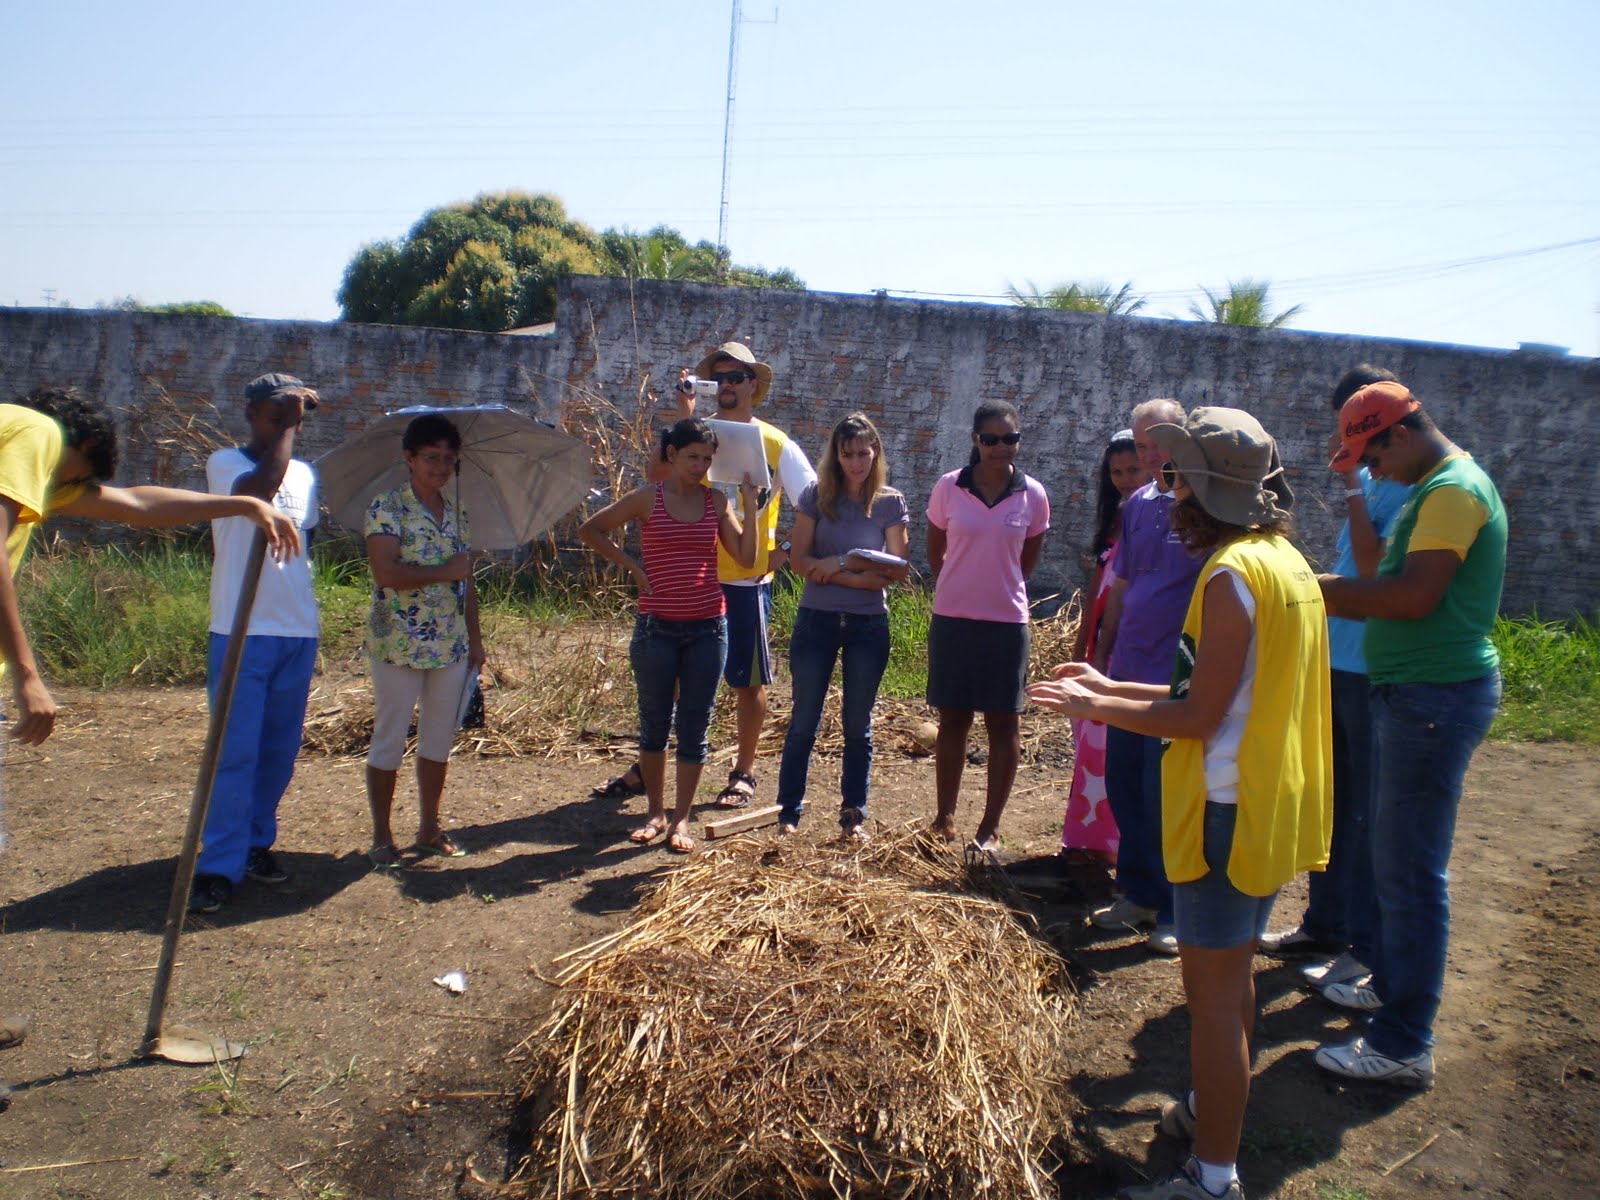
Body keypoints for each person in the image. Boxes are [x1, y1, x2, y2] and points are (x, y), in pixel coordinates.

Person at [1029, 407, 1332, 1200]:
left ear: (1206, 491)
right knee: (1233, 985)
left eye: (1179, 479)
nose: (1169, 495)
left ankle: (1213, 1178)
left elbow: (1197, 718)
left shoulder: (1229, 579)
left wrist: (1095, 706)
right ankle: (1209, 1110)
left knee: (1214, 1002)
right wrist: (1107, 685)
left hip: (1226, 807)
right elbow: (1215, 695)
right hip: (1268, 800)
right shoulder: (1283, 564)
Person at [0, 383, 300, 1110]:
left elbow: (136, 502)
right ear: (77, 445)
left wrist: (242, 506)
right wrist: (28, 674)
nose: (75, 486)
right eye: (81, 473)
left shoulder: (35, 455)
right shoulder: (34, 433)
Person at [1312, 381, 1506, 1090]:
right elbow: (1389, 580)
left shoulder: (1451, 491)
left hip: (1433, 699)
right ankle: (1391, 986)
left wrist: (1310, 589)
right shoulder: (1434, 488)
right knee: (1395, 862)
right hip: (1417, 694)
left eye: (1372, 457)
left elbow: (1411, 596)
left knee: (1411, 873)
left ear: (1397, 432)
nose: (1374, 473)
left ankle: (1403, 1042)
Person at [590, 342, 814, 810]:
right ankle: (648, 766)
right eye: (720, 377)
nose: (727, 384)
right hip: (689, 582)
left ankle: (744, 772)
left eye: (736, 377)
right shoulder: (697, 435)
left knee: (748, 682)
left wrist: (782, 554)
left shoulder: (777, 443)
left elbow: (815, 503)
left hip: (746, 583)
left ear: (753, 384)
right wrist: (683, 413)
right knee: (669, 681)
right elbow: (655, 476)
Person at [1258, 367, 1412, 997]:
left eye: (1358, 427)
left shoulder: (1410, 487)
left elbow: (1372, 569)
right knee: (1332, 803)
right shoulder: (1375, 480)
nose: (1348, 438)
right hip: (1337, 658)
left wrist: (1350, 483)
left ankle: (1363, 948)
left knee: (1372, 813)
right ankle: (1324, 926)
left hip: (1375, 665)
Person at [578, 419, 758, 853]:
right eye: (692, 456)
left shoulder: (716, 502)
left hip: (708, 628)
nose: (700, 465)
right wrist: (633, 567)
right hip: (656, 627)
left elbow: (746, 556)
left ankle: (681, 820)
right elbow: (590, 529)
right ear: (672, 455)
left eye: (707, 459)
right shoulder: (647, 497)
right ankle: (655, 812)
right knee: (654, 724)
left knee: (695, 727)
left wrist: (751, 508)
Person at [189, 373, 322, 915]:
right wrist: (288, 425)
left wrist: (287, 426)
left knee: (278, 751)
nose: (285, 428)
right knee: (234, 751)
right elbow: (259, 490)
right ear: (250, 415)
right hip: (240, 628)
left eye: (292, 420)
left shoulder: (307, 474)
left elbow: (302, 541)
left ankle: (255, 842)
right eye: (275, 417)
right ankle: (218, 865)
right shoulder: (225, 463)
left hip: (296, 628)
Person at [1091, 399, 1203, 955]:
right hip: (1129, 668)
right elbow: (1123, 585)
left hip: (1176, 677)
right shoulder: (1137, 505)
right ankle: (1136, 892)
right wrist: (1103, 654)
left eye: (1160, 442)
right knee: (1126, 786)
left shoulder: (1203, 506)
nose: (1151, 454)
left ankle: (1177, 907)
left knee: (1170, 797)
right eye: (1142, 445)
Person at [777, 413, 910, 839]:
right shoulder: (817, 496)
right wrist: (853, 569)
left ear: (876, 454)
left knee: (857, 724)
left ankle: (853, 815)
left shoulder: (890, 502)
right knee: (803, 721)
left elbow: (896, 570)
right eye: (848, 454)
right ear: (836, 455)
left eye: (863, 454)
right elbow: (799, 562)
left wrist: (835, 567)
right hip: (816, 619)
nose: (856, 463)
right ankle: (788, 813)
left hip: (867, 624)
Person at [926, 399, 1050, 855]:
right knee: (953, 720)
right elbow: (936, 549)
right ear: (975, 440)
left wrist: (999, 587)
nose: (1001, 447)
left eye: (1009, 438)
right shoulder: (949, 487)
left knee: (1003, 724)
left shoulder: (1032, 494)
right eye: (991, 439)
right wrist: (960, 585)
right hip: (953, 621)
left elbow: (1027, 560)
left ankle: (990, 827)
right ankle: (945, 816)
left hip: (1006, 625)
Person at [362, 414, 485, 868]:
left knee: (438, 738)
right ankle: (382, 836)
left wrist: (475, 639)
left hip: (449, 643)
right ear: (409, 458)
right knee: (390, 735)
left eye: (449, 459)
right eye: (432, 457)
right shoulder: (387, 507)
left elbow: (466, 583)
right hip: (398, 641)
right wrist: (444, 571)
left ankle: (429, 827)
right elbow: (386, 572)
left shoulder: (456, 514)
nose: (441, 467)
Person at [1060, 429, 1148, 861]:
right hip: (1099, 637)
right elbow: (1096, 586)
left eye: (1134, 469)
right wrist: (1083, 647)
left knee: (1113, 743)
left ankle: (1114, 845)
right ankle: (1089, 840)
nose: (1126, 479)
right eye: (1117, 472)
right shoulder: (1116, 518)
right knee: (1091, 740)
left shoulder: (1156, 519)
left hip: (1130, 642)